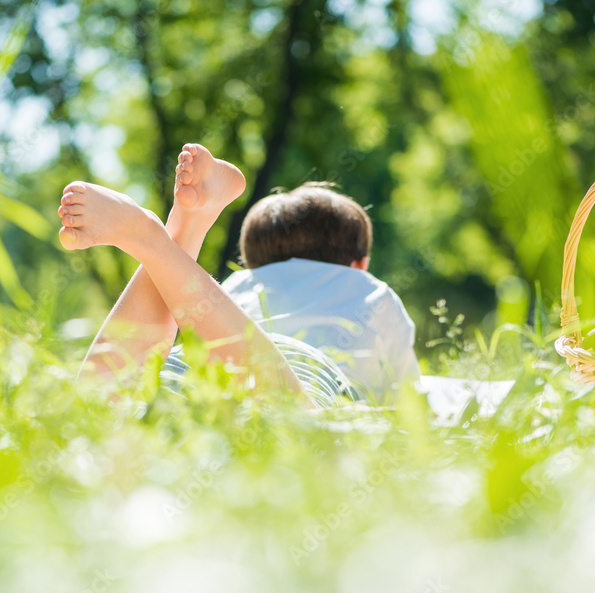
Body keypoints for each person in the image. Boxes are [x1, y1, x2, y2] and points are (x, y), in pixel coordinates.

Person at [57, 143, 419, 405]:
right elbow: (411, 404)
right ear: (359, 264)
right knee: (295, 423)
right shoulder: (370, 290)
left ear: (252, 265)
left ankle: (179, 235)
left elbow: (204, 325)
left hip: (192, 374)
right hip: (301, 376)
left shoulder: (236, 288)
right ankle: (151, 240)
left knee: (93, 415)